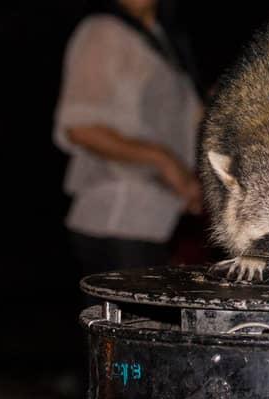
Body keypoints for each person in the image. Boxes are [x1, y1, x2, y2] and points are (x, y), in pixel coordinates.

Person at [53, 0, 203, 280]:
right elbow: (81, 128)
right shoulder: (102, 31)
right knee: (130, 323)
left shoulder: (160, 38)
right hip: (116, 216)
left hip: (158, 220)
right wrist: (164, 160)